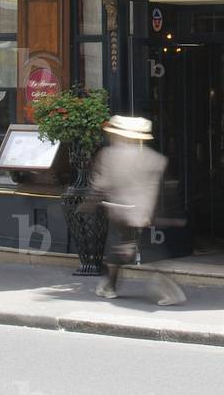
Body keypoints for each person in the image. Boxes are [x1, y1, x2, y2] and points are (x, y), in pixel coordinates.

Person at [88, 114, 186, 306]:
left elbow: (101, 185)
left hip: (119, 211)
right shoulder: (155, 159)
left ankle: (111, 286)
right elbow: (164, 188)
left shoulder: (108, 155)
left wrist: (89, 203)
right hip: (142, 213)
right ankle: (111, 285)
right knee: (142, 251)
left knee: (120, 249)